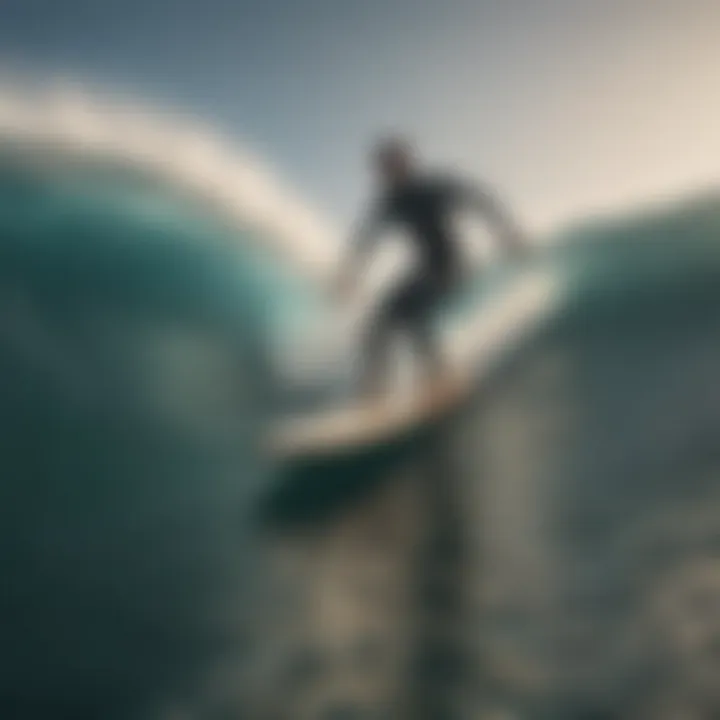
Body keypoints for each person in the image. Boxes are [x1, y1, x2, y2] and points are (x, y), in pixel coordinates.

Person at [335, 137, 526, 398]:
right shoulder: (390, 203)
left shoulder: (433, 187)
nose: (388, 173)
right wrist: (348, 276)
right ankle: (374, 396)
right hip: (424, 270)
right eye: (383, 169)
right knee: (379, 323)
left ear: (407, 163)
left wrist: (508, 235)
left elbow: (481, 200)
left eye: (393, 165)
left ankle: (439, 377)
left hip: (452, 267)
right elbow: (366, 239)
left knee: (411, 314)